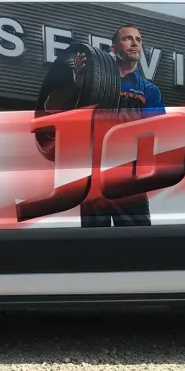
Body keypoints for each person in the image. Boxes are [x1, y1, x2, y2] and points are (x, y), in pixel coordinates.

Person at [73, 24, 165, 227]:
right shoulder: (94, 82)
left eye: (138, 40)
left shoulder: (149, 90)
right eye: (128, 38)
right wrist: (80, 81)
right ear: (113, 49)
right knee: (93, 241)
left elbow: (157, 132)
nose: (135, 43)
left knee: (136, 241)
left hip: (129, 176)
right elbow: (76, 119)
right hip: (94, 174)